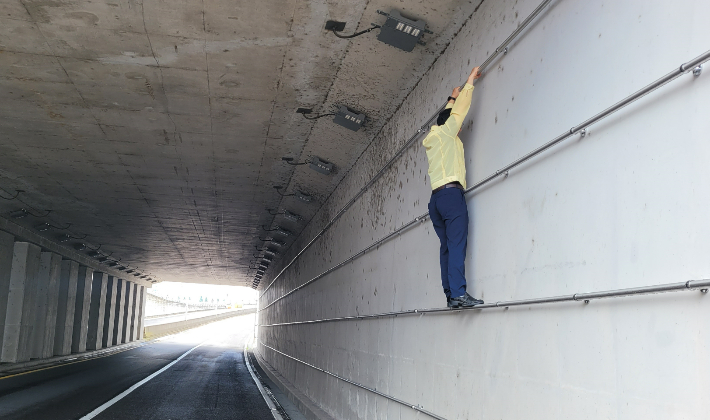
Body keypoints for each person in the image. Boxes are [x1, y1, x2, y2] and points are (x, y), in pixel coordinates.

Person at [423, 65, 484, 308]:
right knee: (457, 244)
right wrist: (470, 81)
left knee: (447, 247)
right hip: (451, 196)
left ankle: (450, 295)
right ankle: (459, 293)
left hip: (436, 201)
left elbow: (447, 115)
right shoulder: (448, 133)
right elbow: (459, 112)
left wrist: (451, 97)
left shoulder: (434, 136)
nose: (459, 129)